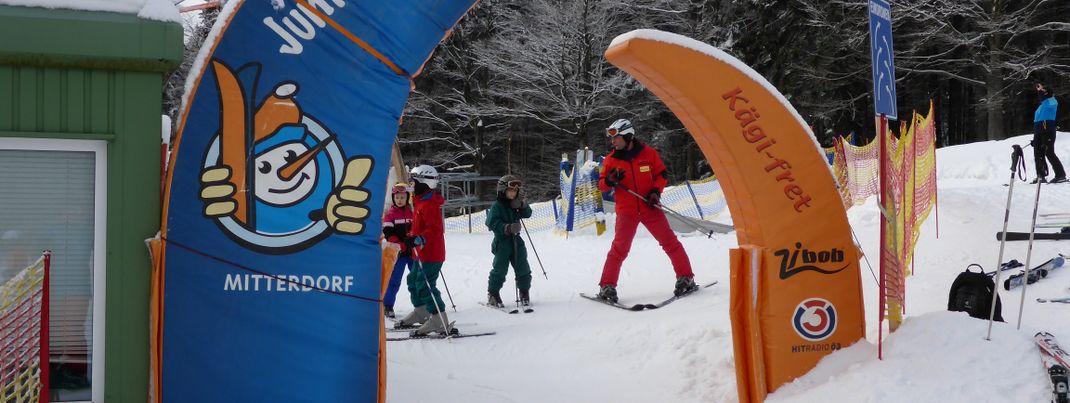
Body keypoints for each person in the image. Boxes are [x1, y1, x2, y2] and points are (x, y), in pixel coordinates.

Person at [595, 118, 697, 303]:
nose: (613, 142)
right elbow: (601, 185)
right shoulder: (611, 160)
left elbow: (661, 175)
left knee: (670, 243)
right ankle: (607, 286)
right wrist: (609, 181)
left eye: (616, 138)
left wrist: (655, 192)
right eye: (612, 139)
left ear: (628, 136)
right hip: (626, 211)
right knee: (619, 249)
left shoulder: (648, 154)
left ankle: (686, 277)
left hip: (650, 207)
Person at [395, 165, 451, 335]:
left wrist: (420, 238)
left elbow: (435, 230)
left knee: (425, 285)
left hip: (432, 253)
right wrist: (411, 235)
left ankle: (439, 319)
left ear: (423, 183)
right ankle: (421, 312)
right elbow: (421, 226)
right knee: (413, 281)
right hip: (420, 253)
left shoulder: (428, 205)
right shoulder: (419, 202)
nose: (411, 185)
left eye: (414, 181)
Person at [485, 175, 534, 308]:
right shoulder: (497, 206)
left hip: (517, 241)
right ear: (502, 190)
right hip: (502, 242)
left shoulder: (515, 204)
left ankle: (524, 291)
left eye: (515, 191)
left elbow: (528, 214)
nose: (513, 193)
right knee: (500, 269)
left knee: (523, 267)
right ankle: (493, 293)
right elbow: (490, 222)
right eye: (510, 191)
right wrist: (506, 227)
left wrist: (523, 206)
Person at [381, 183, 414, 318]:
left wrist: (414, 237)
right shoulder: (390, 214)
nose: (400, 200)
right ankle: (388, 305)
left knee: (417, 278)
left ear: (407, 198)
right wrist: (399, 244)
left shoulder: (412, 212)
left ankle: (423, 305)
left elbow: (416, 228)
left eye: (402, 197)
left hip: (412, 252)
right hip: (399, 252)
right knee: (395, 279)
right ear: (394, 198)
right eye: (397, 197)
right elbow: (388, 232)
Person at [1032, 82, 1066, 184]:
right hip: (1039, 131)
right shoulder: (1042, 105)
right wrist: (1036, 137)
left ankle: (1061, 175)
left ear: (1047, 93)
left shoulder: (1052, 101)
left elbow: (1045, 98)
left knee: (1049, 152)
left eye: (1043, 91)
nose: (1040, 93)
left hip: (1048, 131)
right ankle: (1040, 176)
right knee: (1038, 153)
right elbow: (1037, 120)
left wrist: (1041, 91)